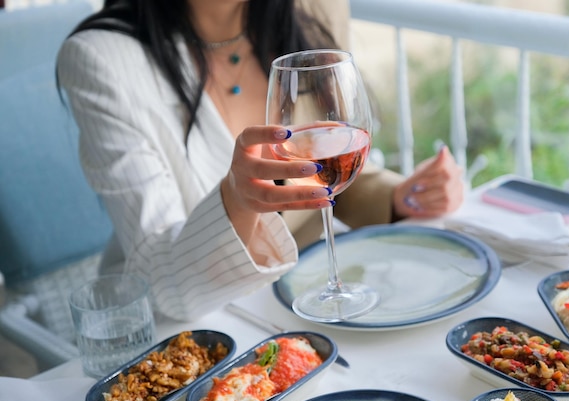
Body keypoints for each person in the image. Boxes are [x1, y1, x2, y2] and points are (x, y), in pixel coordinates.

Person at [56, 0, 464, 322]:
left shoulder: (310, 10)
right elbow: (164, 284)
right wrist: (237, 199)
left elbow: (317, 162)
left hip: (296, 303)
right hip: (182, 325)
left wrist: (397, 196)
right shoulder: (102, 60)